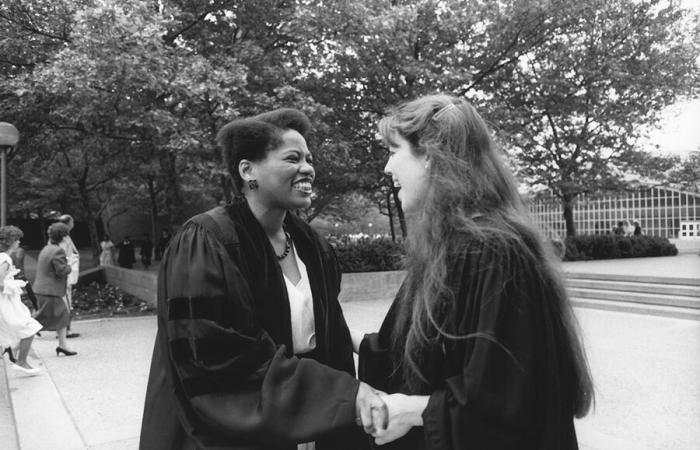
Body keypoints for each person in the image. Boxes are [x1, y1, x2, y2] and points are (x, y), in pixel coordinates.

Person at [356, 95, 594, 449]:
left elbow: (507, 399)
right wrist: (330, 335)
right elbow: (408, 347)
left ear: (430, 156)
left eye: (393, 150)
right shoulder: (449, 245)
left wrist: (413, 410)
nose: (387, 168)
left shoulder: (494, 251)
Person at [140, 108, 385, 450]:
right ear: (247, 170)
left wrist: (343, 403)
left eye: (309, 159)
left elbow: (332, 345)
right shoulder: (206, 241)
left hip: (306, 420)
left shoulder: (313, 247)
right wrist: (338, 395)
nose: (308, 168)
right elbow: (217, 359)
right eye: (292, 158)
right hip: (228, 431)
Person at [0, 226, 43, 376]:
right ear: (10, 242)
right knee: (28, 327)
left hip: (7, 301)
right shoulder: (5, 258)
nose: (19, 242)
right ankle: (21, 361)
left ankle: (19, 357)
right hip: (6, 302)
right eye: (17, 239)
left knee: (20, 328)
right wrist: (14, 284)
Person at [32, 223, 77, 357]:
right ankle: (14, 346)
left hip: (43, 289)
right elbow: (61, 271)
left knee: (61, 316)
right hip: (50, 290)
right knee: (38, 320)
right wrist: (70, 264)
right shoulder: (58, 251)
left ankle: (63, 345)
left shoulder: (47, 248)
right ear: (64, 237)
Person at [58, 214, 80, 338]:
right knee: (66, 303)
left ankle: (66, 329)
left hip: (69, 274)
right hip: (65, 275)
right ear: (68, 223)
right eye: (72, 222)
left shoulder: (66, 237)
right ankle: (65, 331)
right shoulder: (63, 239)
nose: (73, 224)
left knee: (68, 302)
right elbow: (65, 257)